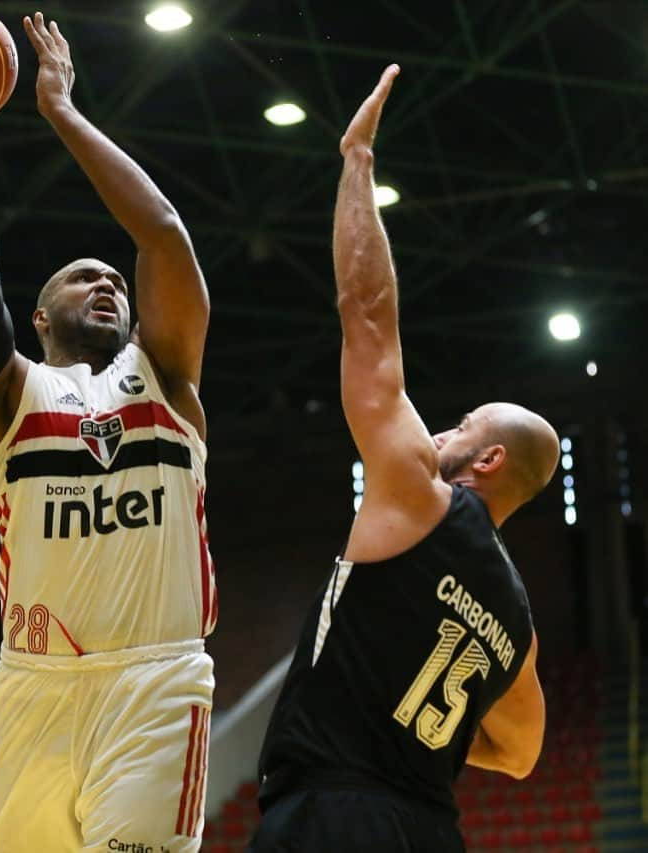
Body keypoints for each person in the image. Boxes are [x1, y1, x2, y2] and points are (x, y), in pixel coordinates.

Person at [0, 12, 216, 853]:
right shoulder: (8, 396)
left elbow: (163, 236)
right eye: (84, 276)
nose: (108, 282)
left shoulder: (168, 375)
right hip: (33, 689)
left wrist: (62, 112)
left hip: (153, 681)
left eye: (116, 279)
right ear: (38, 316)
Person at [248, 65, 559, 852]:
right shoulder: (515, 623)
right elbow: (520, 754)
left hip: (329, 814)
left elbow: (366, 318)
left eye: (460, 424)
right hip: (426, 828)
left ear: (485, 461)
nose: (443, 432)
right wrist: (433, 741)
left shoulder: (420, 497)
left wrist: (356, 163)